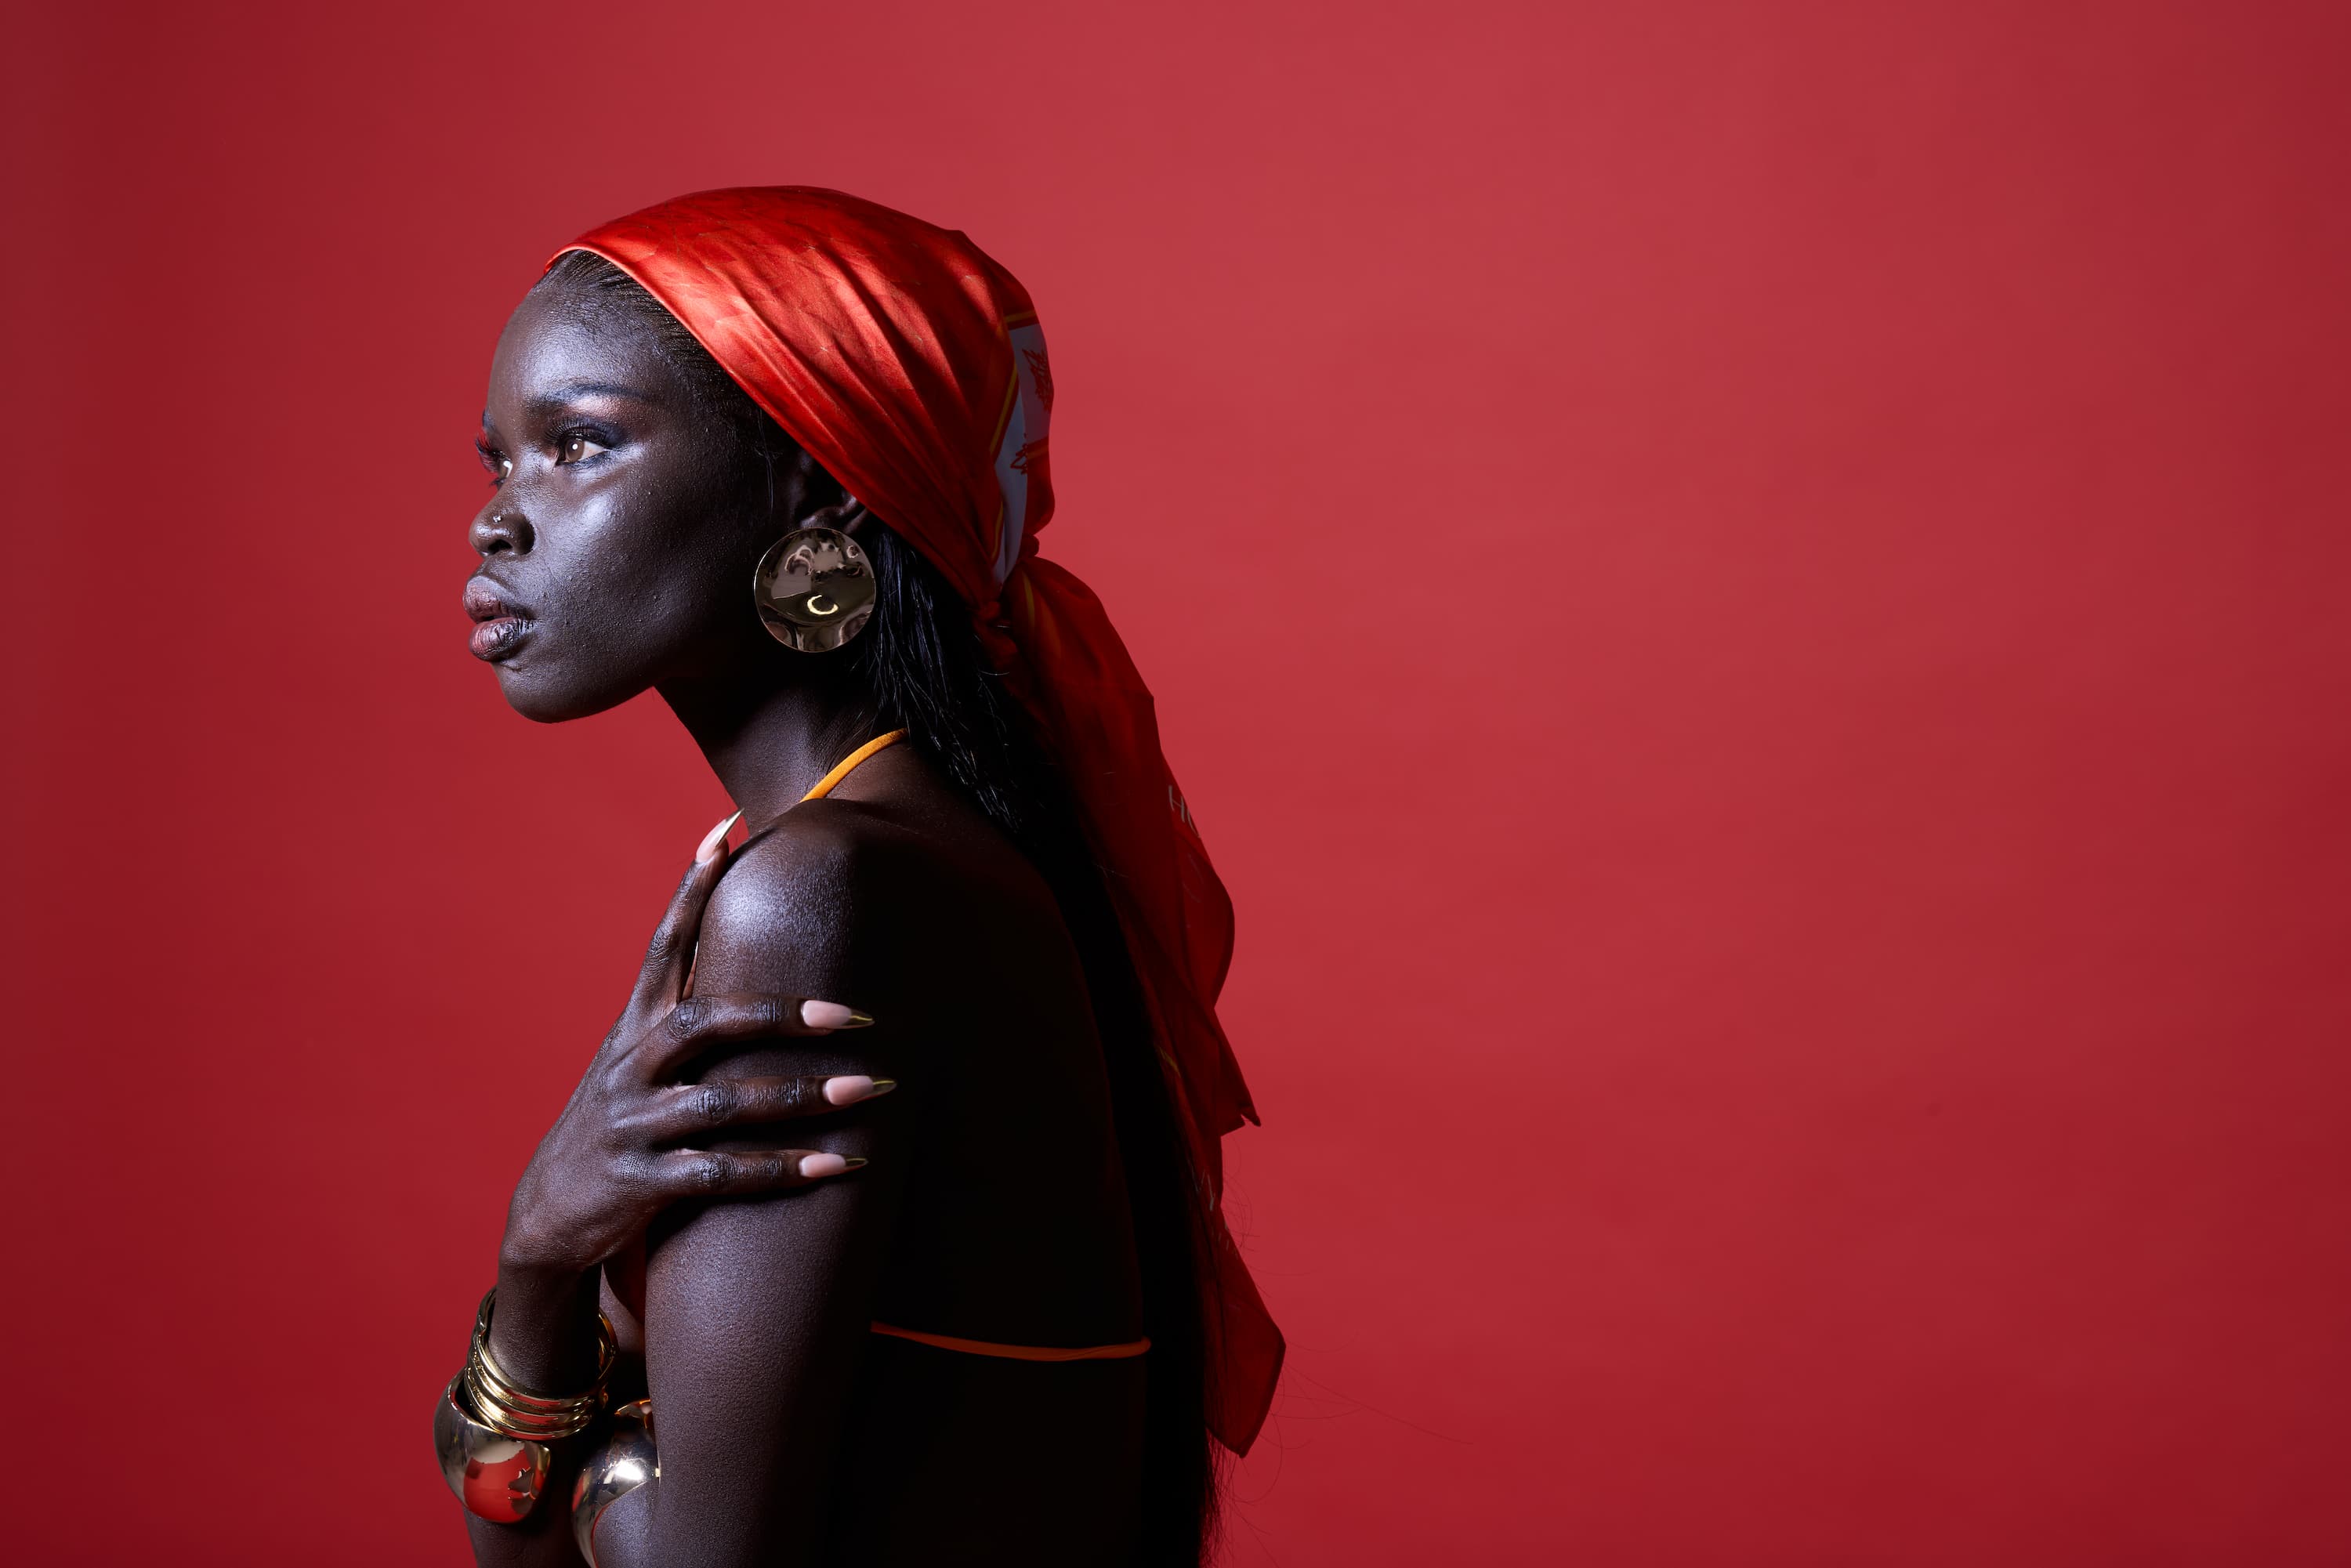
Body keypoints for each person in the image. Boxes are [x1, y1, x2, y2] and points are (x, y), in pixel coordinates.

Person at [432, 188, 1281, 1567]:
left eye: (579, 444)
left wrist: (541, 1261)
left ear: (817, 485)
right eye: (498, 462)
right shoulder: (916, 852)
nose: (497, 523)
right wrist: (571, 1350)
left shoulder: (822, 894)